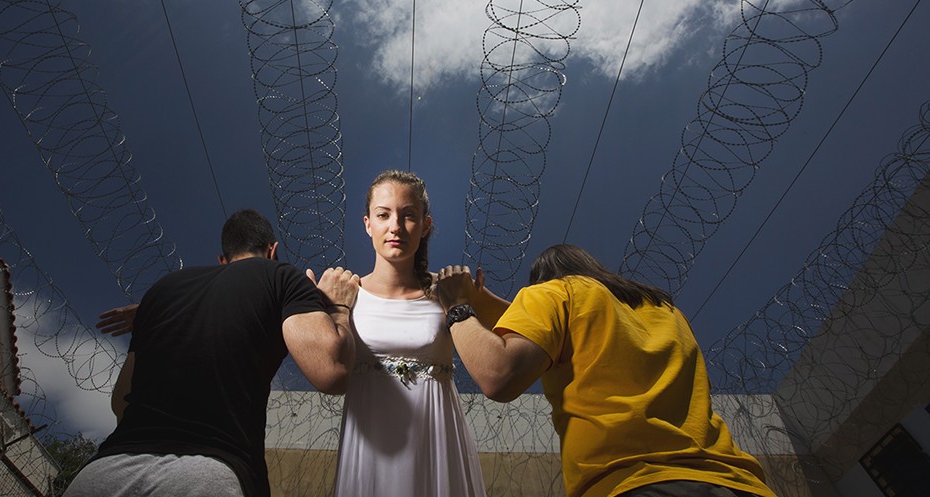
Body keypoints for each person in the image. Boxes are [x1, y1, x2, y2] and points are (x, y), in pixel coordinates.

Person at [434, 244, 778, 497]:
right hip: (740, 484)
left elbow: (499, 375)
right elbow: (554, 326)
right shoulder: (663, 311)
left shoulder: (553, 294)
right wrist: (481, 299)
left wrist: (458, 307)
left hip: (636, 484)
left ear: (541, 281)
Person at [67, 209, 358, 497]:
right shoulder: (282, 277)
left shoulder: (162, 291)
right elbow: (331, 372)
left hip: (104, 471)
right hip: (207, 474)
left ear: (222, 259)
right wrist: (339, 308)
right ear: (272, 251)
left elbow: (121, 402)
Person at [330, 169, 487, 497]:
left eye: (409, 215)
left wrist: (472, 299)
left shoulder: (448, 291)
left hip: (436, 449)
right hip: (370, 450)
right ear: (367, 224)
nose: (395, 227)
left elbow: (518, 322)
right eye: (383, 215)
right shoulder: (346, 293)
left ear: (425, 224)